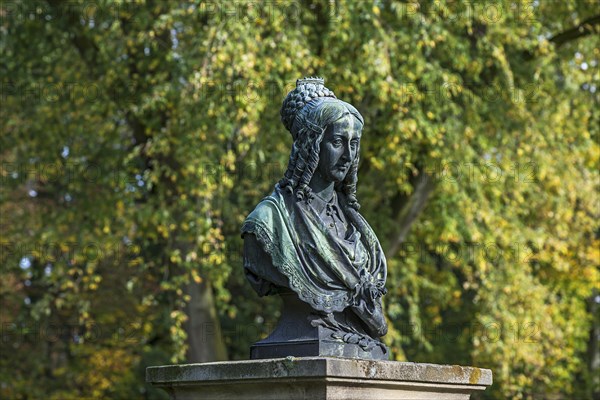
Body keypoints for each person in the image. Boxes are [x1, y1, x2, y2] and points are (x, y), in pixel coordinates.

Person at [242, 77, 388, 354]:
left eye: (354, 144)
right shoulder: (268, 223)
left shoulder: (356, 225)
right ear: (311, 144)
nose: (348, 155)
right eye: (337, 142)